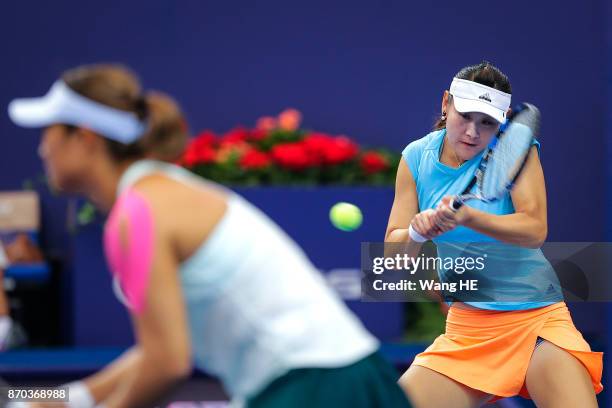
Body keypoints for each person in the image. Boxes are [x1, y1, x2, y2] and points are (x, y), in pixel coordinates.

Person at [7, 64, 412, 408]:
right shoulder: (160, 192)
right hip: (352, 378)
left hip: (313, 390)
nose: (42, 149)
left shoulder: (138, 214)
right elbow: (159, 349)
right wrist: (62, 397)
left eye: (49, 132)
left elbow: (166, 364)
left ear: (85, 137)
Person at [385, 61, 603, 407]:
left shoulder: (517, 150)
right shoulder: (415, 158)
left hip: (537, 322)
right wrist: (416, 230)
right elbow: (393, 258)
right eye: (465, 115)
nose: (472, 132)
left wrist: (469, 217)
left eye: (487, 123)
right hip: (468, 331)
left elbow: (534, 228)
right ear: (446, 103)